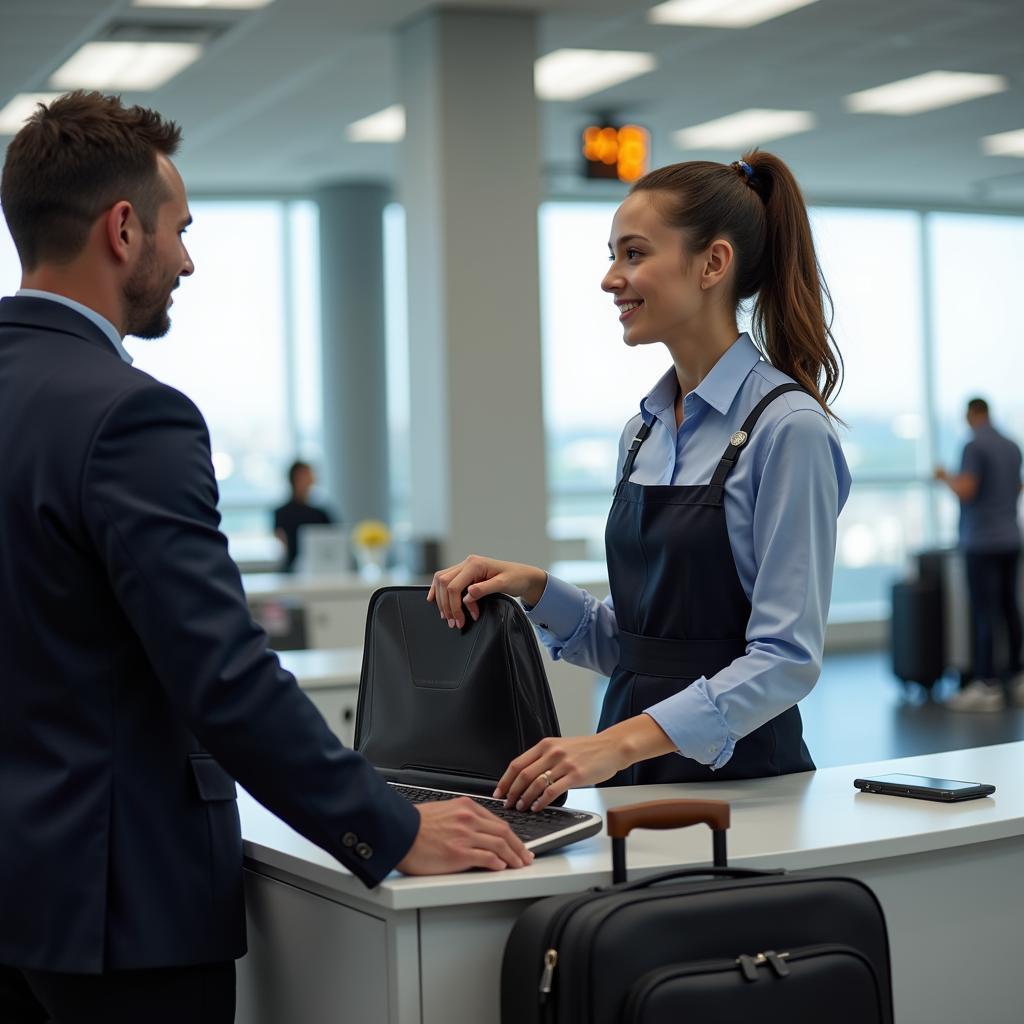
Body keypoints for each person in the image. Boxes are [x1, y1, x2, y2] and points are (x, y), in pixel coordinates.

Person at [0, 92, 530, 1024]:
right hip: (117, 911)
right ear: (123, 230)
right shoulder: (131, 414)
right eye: (180, 230)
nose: (187, 259)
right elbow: (222, 675)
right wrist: (389, 825)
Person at [430, 153, 850, 812]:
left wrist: (617, 744)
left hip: (741, 789)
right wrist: (536, 589)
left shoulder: (786, 428)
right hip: (628, 778)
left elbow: (786, 659)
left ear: (713, 264)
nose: (609, 279)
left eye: (633, 254)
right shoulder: (643, 430)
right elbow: (643, 651)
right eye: (611, 255)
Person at [935, 397, 1023, 711]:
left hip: (983, 542)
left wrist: (945, 477)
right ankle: (1016, 675)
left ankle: (986, 685)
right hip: (1011, 538)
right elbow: (1017, 488)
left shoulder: (973, 446)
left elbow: (967, 490)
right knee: (1010, 608)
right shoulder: (1012, 445)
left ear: (972, 414)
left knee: (985, 612)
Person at [273, 459, 334, 571]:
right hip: (293, 571)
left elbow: (333, 540)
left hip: (322, 569)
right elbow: (283, 545)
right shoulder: (282, 513)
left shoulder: (321, 513)